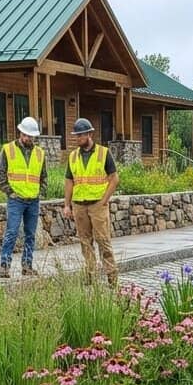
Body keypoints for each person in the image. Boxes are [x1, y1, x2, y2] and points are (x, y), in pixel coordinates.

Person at [62, 118, 120, 286]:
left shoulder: (103, 153)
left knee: (103, 242)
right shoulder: (73, 156)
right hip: (79, 205)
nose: (78, 138)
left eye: (80, 135)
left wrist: (104, 201)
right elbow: (69, 181)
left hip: (97, 205)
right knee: (85, 242)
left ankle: (112, 279)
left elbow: (114, 179)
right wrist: (67, 205)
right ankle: (90, 277)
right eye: (76, 135)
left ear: (89, 134)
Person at [0, 116, 47, 278]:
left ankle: (27, 265)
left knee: (30, 235)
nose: (27, 138)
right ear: (20, 133)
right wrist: (9, 191)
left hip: (33, 201)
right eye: (25, 135)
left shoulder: (40, 153)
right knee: (11, 232)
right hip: (16, 200)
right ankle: (5, 266)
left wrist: (41, 192)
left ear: (34, 137)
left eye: (30, 136)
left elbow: (43, 176)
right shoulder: (8, 149)